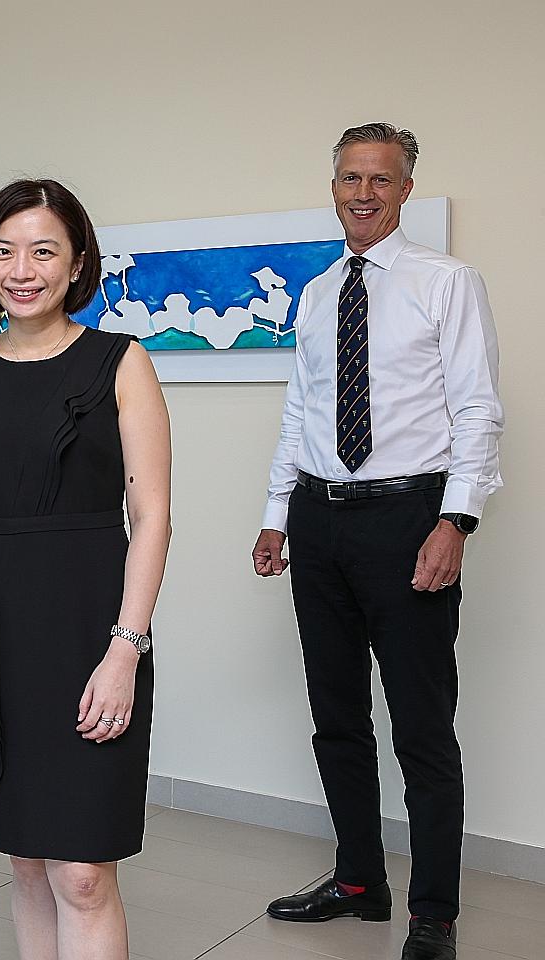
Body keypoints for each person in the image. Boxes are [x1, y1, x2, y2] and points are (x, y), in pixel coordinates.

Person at [253, 123, 503, 960]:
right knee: (335, 718)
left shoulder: (447, 282)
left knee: (422, 729)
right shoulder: (319, 291)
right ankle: (358, 881)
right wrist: (276, 513)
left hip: (410, 520)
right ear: (334, 187)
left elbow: (477, 410)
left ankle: (434, 913)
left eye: (381, 180)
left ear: (405, 189)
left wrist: (455, 521)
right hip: (319, 522)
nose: (363, 193)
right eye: (350, 178)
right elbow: (301, 414)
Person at [0, 180, 171, 960]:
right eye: (4, 251)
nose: (20, 269)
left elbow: (153, 515)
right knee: (27, 861)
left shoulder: (120, 362)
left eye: (42, 251)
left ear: (76, 265)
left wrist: (126, 649)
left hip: (90, 628)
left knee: (84, 875)